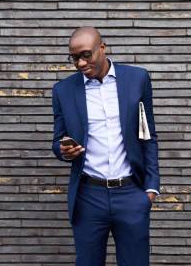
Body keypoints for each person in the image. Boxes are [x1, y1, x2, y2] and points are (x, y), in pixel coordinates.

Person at [50, 26, 160, 266]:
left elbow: (148, 135)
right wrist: (63, 150)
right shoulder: (63, 90)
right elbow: (57, 141)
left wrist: (150, 189)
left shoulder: (137, 79)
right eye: (74, 57)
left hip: (131, 193)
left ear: (102, 48)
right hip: (88, 195)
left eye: (86, 55)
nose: (80, 63)